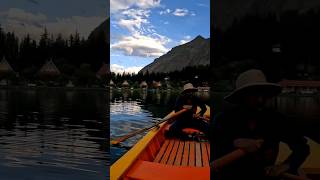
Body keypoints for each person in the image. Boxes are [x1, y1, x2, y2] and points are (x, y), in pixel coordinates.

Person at [211, 69, 310, 180]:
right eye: (254, 94)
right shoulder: (223, 119)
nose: (260, 99)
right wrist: (234, 143)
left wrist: (285, 166)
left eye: (263, 94)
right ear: (241, 96)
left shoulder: (276, 120)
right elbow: (214, 149)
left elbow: (302, 148)